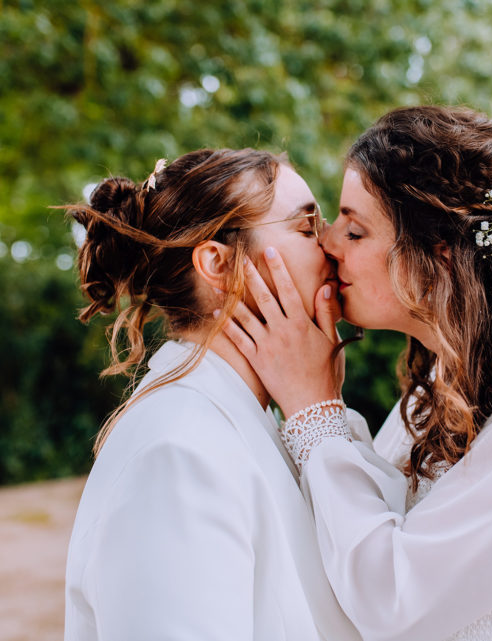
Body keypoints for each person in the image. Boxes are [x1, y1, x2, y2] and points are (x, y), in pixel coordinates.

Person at [222, 106, 492, 641]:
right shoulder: (436, 392)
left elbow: (392, 602)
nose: (329, 243)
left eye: (355, 230)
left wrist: (313, 407)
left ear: (441, 259)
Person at [61, 149, 361, 641]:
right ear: (219, 265)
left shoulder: (260, 419)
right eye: (307, 227)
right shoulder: (176, 455)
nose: (330, 243)